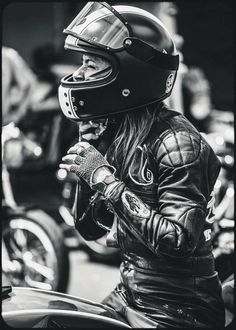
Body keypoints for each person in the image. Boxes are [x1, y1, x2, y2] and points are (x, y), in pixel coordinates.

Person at [59, 2, 225, 328]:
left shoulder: (178, 144)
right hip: (131, 293)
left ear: (129, 75)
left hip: (178, 309)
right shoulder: (121, 133)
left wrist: (104, 177)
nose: (78, 75)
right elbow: (91, 229)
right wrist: (89, 162)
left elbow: (178, 241)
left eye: (91, 64)